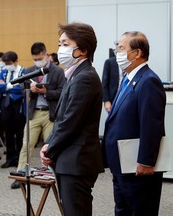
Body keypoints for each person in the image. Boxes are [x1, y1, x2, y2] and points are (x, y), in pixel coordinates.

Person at [40, 22, 104, 216]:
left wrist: (49, 148)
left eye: (66, 44)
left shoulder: (85, 77)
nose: (60, 49)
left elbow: (70, 122)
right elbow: (62, 119)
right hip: (70, 159)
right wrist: (49, 143)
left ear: (83, 50)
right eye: (60, 44)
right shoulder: (74, 75)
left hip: (77, 161)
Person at [103, 31, 166, 216]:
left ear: (137, 53)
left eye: (121, 48)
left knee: (140, 210)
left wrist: (146, 161)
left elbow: (151, 126)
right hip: (122, 163)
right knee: (123, 209)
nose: (117, 53)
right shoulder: (128, 79)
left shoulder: (148, 81)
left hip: (137, 166)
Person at [11, 42, 65, 189]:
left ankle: (48, 176)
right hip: (34, 113)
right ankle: (20, 174)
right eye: (35, 59)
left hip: (50, 114)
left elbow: (62, 93)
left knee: (50, 148)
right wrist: (30, 89)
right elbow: (21, 89)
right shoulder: (29, 71)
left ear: (47, 55)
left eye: (40, 58)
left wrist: (45, 92)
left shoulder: (58, 72)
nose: (37, 61)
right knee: (26, 145)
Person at [0, 51, 26, 169]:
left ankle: (19, 159)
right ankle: (10, 158)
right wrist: (11, 86)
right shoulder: (4, 72)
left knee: (19, 133)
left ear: (16, 61)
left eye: (9, 63)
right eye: (6, 63)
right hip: (6, 105)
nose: (7, 65)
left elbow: (21, 88)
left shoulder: (23, 71)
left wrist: (6, 86)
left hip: (18, 105)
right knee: (8, 133)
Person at [102, 47, 123, 113]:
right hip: (113, 98)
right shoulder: (109, 62)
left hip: (125, 97)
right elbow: (104, 83)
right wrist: (106, 100)